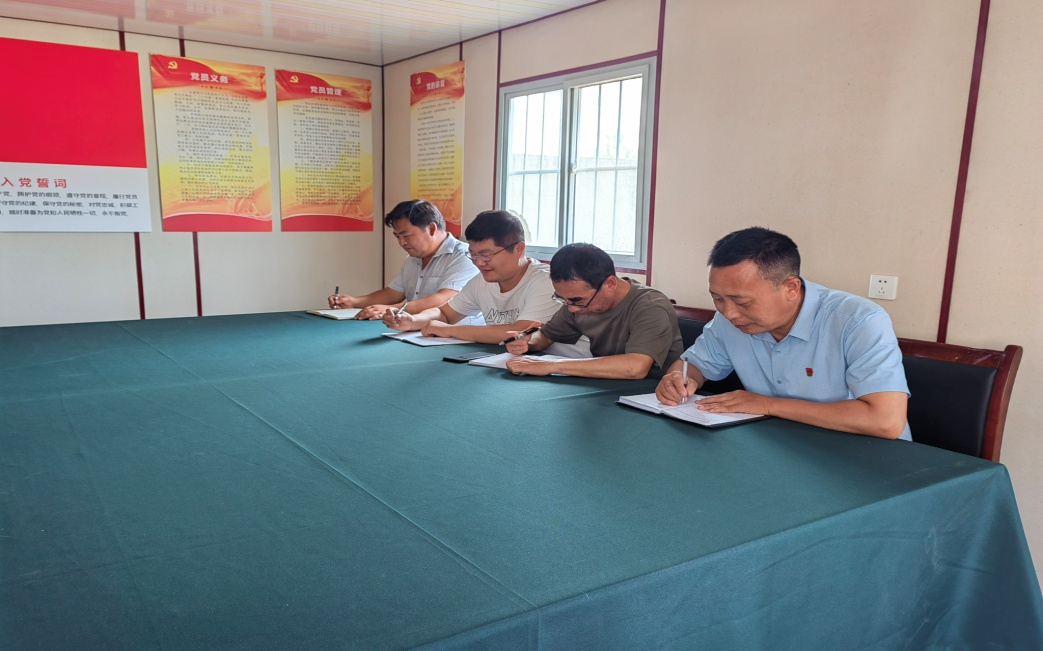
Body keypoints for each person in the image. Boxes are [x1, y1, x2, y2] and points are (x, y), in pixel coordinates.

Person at [655, 226, 910, 440]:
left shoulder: (859, 321)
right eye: (718, 299)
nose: (729, 313)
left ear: (791, 288)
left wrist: (767, 405)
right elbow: (694, 365)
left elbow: (885, 421)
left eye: (742, 302)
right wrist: (678, 378)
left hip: (864, 453)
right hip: (783, 444)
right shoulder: (730, 320)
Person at [383, 210, 576, 349]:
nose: (479, 263)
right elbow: (445, 313)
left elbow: (520, 331)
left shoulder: (546, 281)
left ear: (518, 249)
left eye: (486, 255)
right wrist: (412, 321)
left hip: (560, 368)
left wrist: (449, 330)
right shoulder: (482, 281)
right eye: (473, 255)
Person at [502, 243, 683, 380]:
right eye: (562, 299)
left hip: (653, 396)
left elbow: (635, 367)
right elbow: (547, 336)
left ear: (610, 284)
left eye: (577, 301)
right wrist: (527, 341)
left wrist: (552, 365)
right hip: (604, 385)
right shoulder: (577, 301)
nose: (571, 308)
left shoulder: (651, 306)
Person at [328, 200, 477, 320]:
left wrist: (394, 309)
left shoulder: (464, 255)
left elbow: (445, 298)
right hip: (416, 330)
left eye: (406, 236)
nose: (401, 242)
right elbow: (393, 293)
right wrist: (355, 302)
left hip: (457, 336)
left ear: (431, 228)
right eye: (397, 236)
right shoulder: (413, 258)